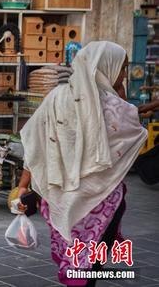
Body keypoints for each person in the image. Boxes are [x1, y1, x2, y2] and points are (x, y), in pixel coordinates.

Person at [17, 41, 147, 287]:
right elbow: (134, 132)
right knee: (91, 262)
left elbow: (36, 143)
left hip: (60, 198)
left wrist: (24, 185)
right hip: (101, 200)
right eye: (122, 69)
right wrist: (120, 90)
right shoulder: (113, 105)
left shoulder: (56, 97)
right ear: (105, 67)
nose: (123, 75)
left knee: (77, 257)